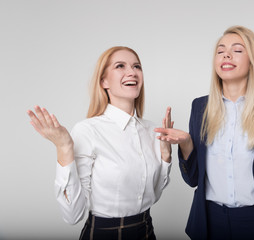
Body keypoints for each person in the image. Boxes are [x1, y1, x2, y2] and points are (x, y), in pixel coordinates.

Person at [155, 26, 254, 240]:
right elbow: (193, 179)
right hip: (211, 222)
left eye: (237, 50)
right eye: (220, 50)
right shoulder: (200, 107)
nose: (226, 54)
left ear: (253, 60)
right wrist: (186, 144)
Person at [27, 46, 173, 240]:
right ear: (104, 81)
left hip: (146, 231)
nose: (132, 72)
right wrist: (64, 148)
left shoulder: (153, 130)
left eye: (137, 66)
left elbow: (153, 196)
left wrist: (166, 158)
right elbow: (73, 215)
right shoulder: (88, 131)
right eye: (120, 66)